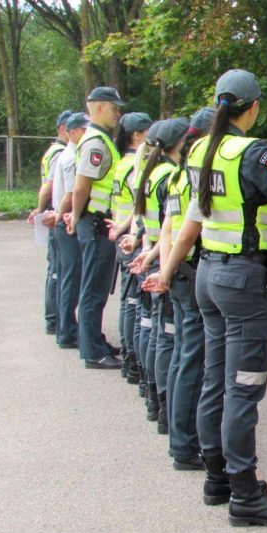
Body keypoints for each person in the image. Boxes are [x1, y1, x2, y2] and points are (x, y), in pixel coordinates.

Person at [145, 69, 267, 526]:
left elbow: (191, 223)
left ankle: (217, 478)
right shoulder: (252, 153)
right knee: (243, 389)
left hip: (208, 276)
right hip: (245, 282)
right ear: (254, 106)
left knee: (215, 380)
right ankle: (245, 494)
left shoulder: (201, 149)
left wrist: (166, 272)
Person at [162, 109, 210, 470]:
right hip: (192, 269)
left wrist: (166, 272)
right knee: (192, 359)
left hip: (180, 270)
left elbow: (167, 231)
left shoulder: (179, 176)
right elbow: (185, 232)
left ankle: (179, 435)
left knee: (182, 354)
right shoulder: (197, 177)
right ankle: (185, 445)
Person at [134, 118, 189, 435]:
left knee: (155, 332)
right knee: (169, 339)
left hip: (154, 254)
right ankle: (166, 405)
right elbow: (173, 227)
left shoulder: (150, 172)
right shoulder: (170, 175)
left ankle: (155, 397)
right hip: (166, 259)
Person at [67, 86, 126, 369]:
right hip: (95, 223)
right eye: (114, 108)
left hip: (95, 222)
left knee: (99, 287)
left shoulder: (99, 138)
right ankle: (92, 352)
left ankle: (96, 341)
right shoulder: (95, 142)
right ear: (99, 107)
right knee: (93, 288)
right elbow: (81, 187)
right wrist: (76, 216)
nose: (118, 113)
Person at [109, 112, 154, 384]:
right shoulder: (136, 165)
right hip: (132, 236)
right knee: (137, 302)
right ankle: (135, 361)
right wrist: (135, 235)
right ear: (138, 135)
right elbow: (140, 207)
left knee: (129, 299)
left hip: (123, 232)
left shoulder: (122, 163)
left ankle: (130, 357)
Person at [28, 112, 70, 336]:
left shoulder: (51, 151)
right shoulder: (60, 153)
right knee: (57, 270)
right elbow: (48, 185)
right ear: (63, 128)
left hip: (53, 211)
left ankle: (53, 318)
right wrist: (42, 209)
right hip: (55, 213)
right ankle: (54, 319)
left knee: (54, 269)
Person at [51, 112, 87, 350]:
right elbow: (70, 194)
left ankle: (66, 328)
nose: (87, 133)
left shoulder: (68, 154)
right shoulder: (72, 156)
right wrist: (62, 217)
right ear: (72, 132)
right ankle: (67, 331)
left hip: (62, 221)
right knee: (71, 278)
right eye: (83, 129)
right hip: (67, 222)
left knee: (67, 277)